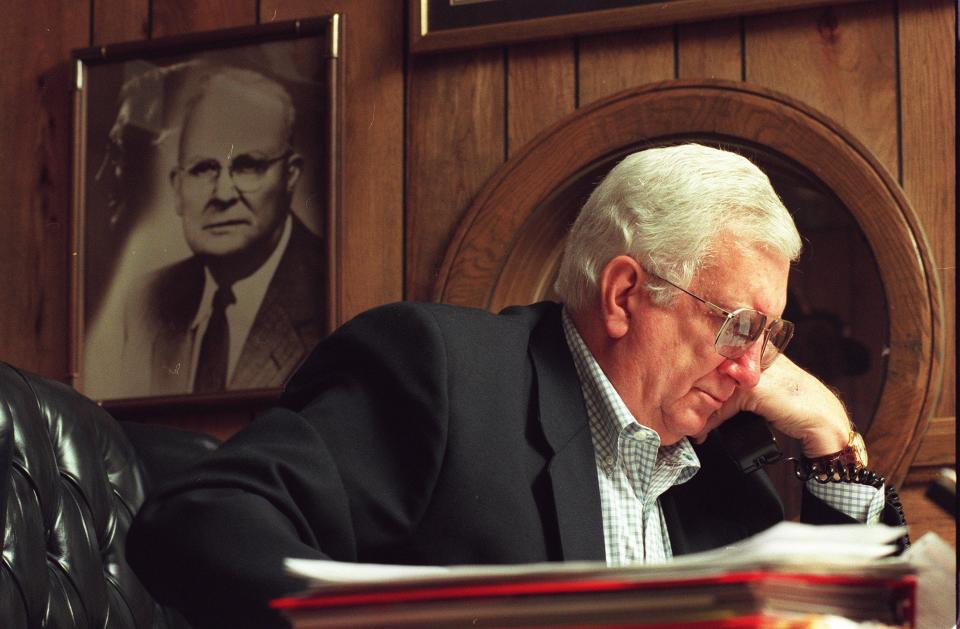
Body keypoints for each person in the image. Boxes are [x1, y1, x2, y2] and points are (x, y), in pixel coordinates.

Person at [128, 144, 902, 628]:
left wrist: (831, 436)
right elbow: (199, 523)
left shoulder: (724, 487)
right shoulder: (444, 375)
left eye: (768, 338)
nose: (751, 368)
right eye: (737, 325)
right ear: (626, 295)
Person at [118, 66, 325, 396]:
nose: (223, 194)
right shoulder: (146, 301)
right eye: (204, 169)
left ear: (290, 176)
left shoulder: (330, 290)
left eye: (248, 166)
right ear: (177, 188)